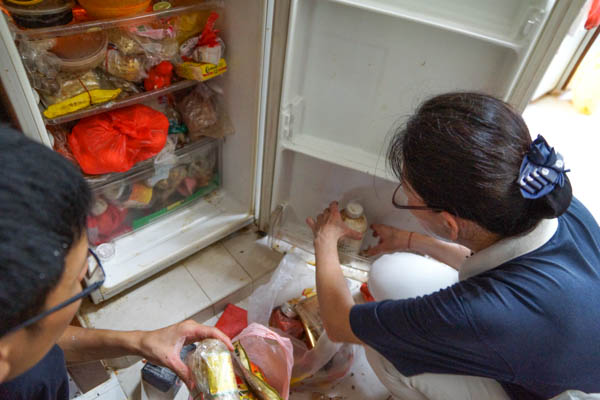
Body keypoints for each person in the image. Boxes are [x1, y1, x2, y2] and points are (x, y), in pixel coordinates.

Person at [306, 92, 600, 400]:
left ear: (450, 223)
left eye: (408, 196)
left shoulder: (485, 313)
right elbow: (499, 265)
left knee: (384, 354)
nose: (405, 200)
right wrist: (408, 240)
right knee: (387, 272)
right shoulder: (543, 197)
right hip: (553, 349)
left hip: (543, 391)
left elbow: (339, 323)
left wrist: (324, 240)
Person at [0, 126, 232, 399]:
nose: (86, 271)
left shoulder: (15, 342)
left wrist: (141, 341)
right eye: (79, 279)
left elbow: (42, 340)